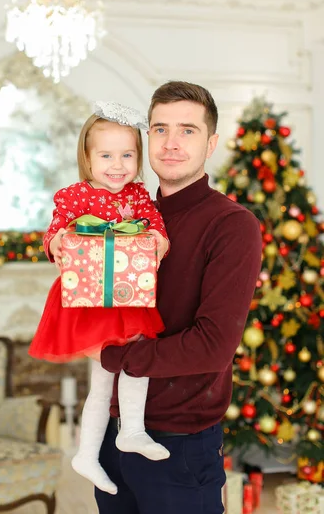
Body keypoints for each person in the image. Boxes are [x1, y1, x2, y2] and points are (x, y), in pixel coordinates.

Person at [92, 82, 263, 514]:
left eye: (187, 130)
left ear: (211, 144)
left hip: (178, 446)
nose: (171, 144)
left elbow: (213, 346)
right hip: (113, 434)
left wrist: (113, 356)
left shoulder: (232, 225)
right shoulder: (125, 217)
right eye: (160, 129)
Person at [29, 102, 170, 496]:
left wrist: (158, 241)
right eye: (106, 155)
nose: (117, 165)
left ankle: (129, 431)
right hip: (90, 301)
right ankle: (92, 452)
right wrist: (57, 240)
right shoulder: (74, 196)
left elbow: (156, 227)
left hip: (127, 295)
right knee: (103, 377)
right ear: (87, 158)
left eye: (127, 155)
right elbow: (55, 231)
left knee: (136, 362)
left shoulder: (139, 196)